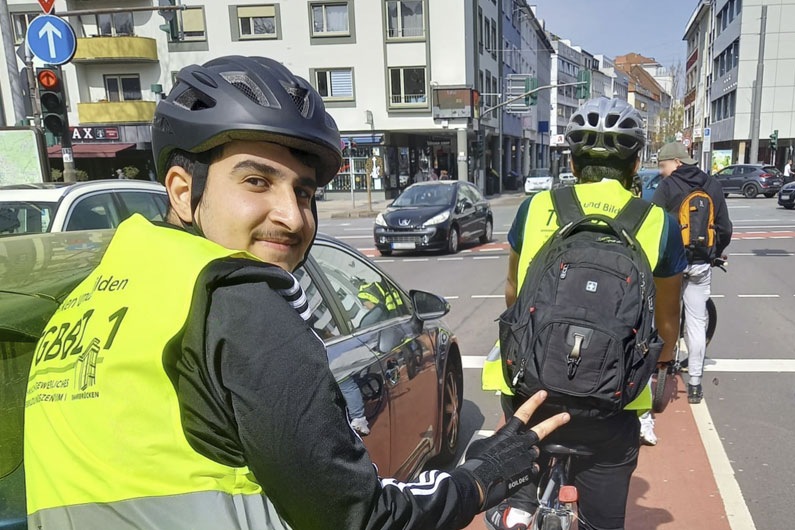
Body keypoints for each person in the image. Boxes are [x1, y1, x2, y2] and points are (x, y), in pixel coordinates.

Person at [24, 56, 569, 530]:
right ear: (183, 191)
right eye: (257, 181)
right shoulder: (234, 300)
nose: (292, 215)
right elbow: (359, 516)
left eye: (303, 191)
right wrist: (483, 476)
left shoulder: (86, 302)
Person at [482, 97, 686, 530]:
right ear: (636, 166)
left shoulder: (536, 207)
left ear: (573, 164)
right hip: (611, 403)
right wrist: (664, 369)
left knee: (520, 444)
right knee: (605, 512)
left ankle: (517, 505)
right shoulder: (658, 223)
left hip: (531, 391)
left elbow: (513, 293)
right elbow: (667, 320)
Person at [652, 142, 732, 404]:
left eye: (663, 166)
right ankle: (695, 384)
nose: (663, 172)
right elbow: (724, 227)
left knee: (663, 315)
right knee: (697, 322)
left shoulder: (668, 186)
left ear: (676, 162)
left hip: (671, 264)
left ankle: (660, 366)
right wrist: (714, 252)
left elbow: (654, 222)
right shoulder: (711, 184)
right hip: (700, 264)